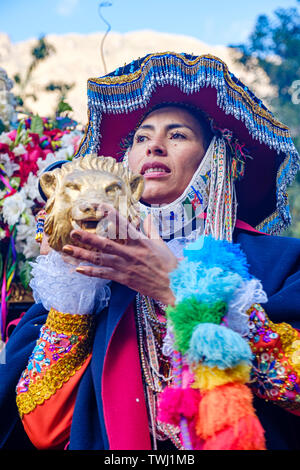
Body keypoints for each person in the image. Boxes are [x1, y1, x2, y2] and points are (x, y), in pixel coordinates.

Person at [1, 52, 300, 451]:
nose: (153, 147)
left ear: (217, 160)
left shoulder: (280, 261)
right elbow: (46, 429)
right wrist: (74, 296)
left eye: (177, 135)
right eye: (142, 137)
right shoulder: (90, 280)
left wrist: (178, 288)